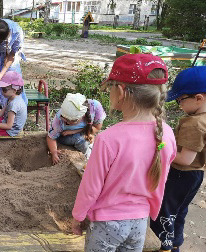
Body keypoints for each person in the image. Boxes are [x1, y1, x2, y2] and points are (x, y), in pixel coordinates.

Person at [71, 54, 177, 251]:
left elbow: (90, 187)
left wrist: (77, 216)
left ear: (120, 91)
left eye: (111, 86)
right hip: (140, 222)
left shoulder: (108, 138)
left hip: (107, 223)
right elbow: (161, 179)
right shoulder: (167, 134)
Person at [150, 66, 206, 252]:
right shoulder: (200, 118)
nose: (179, 105)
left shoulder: (194, 124)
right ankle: (175, 242)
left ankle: (164, 245)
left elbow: (184, 159)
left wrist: (161, 147)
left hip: (182, 175)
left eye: (181, 100)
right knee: (179, 210)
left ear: (198, 98)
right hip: (195, 176)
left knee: (165, 211)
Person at [46, 93, 106, 163]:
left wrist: (74, 131)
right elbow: (51, 137)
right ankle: (87, 158)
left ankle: (91, 156)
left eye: (72, 121)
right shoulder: (59, 119)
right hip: (64, 136)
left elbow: (97, 128)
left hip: (82, 131)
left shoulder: (95, 107)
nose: (67, 123)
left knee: (95, 141)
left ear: (83, 116)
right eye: (65, 119)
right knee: (82, 140)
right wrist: (54, 152)